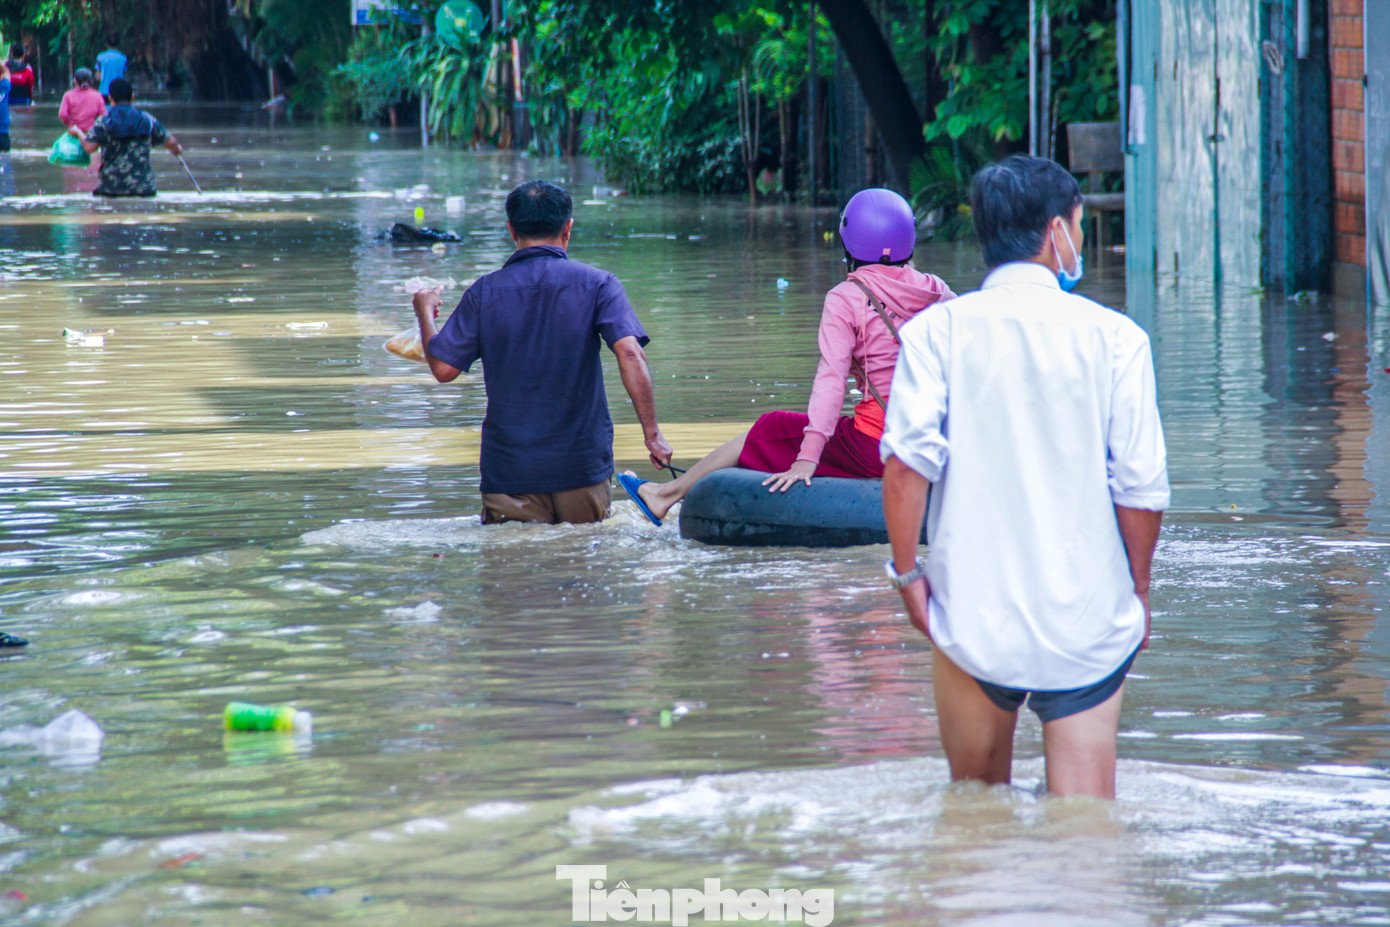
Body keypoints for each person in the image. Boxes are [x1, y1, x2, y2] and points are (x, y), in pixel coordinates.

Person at [880, 155, 1169, 799]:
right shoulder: (1118, 339)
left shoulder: (935, 335)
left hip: (971, 613)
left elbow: (904, 469)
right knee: (1086, 827)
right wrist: (1139, 592)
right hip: (1088, 617)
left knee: (974, 813)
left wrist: (907, 578)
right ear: (1057, 231)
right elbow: (1141, 490)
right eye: (1079, 223)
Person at [618, 187, 954, 526]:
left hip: (880, 446)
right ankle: (665, 493)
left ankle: (663, 496)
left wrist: (807, 458)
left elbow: (831, 381)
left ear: (849, 243)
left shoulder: (847, 297)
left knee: (770, 426)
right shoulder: (937, 290)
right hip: (935, 439)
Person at [410, 180, 673, 525]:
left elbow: (443, 369)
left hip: (511, 473)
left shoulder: (484, 293)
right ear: (568, 228)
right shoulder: (599, 284)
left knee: (515, 569)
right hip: (581, 467)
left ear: (511, 230)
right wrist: (651, 435)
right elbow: (631, 353)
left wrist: (425, 315)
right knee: (584, 563)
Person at [68, 78, 182, 197]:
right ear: (132, 97)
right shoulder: (148, 120)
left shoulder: (103, 122)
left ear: (110, 98)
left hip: (110, 189)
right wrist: (177, 149)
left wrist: (77, 132)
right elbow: (171, 143)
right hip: (143, 189)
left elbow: (89, 147)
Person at [59, 69, 107, 134]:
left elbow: (63, 115)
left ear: (75, 81)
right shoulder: (97, 95)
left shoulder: (68, 95)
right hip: (92, 133)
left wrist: (70, 125)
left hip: (74, 132)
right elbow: (103, 115)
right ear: (90, 81)